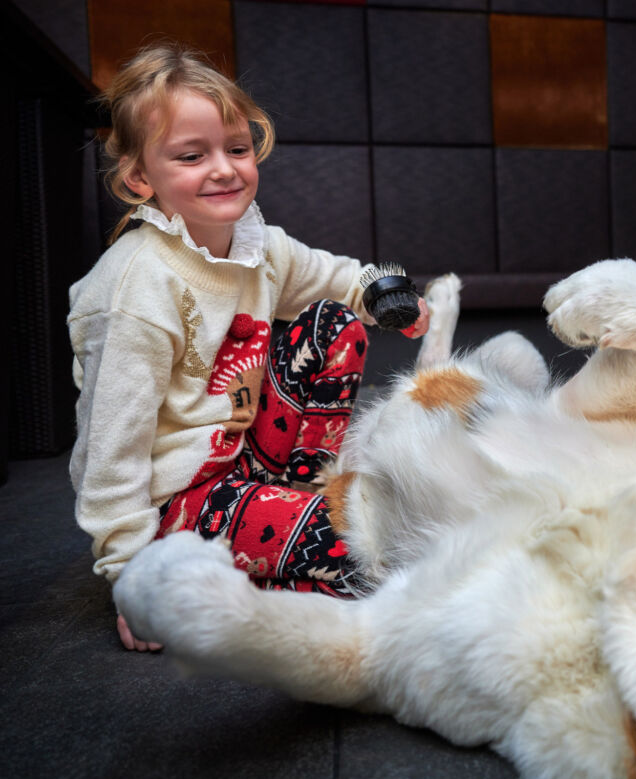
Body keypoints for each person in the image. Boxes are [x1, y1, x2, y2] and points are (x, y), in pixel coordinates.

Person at [67, 43, 429, 651]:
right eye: (191, 155)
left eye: (236, 149)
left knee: (332, 323)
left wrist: (386, 293)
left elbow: (336, 279)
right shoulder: (135, 291)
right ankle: (252, 567)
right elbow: (110, 456)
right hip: (177, 505)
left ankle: (296, 497)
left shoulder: (254, 243)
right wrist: (134, 578)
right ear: (138, 178)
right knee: (368, 546)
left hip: (246, 459)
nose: (225, 168)